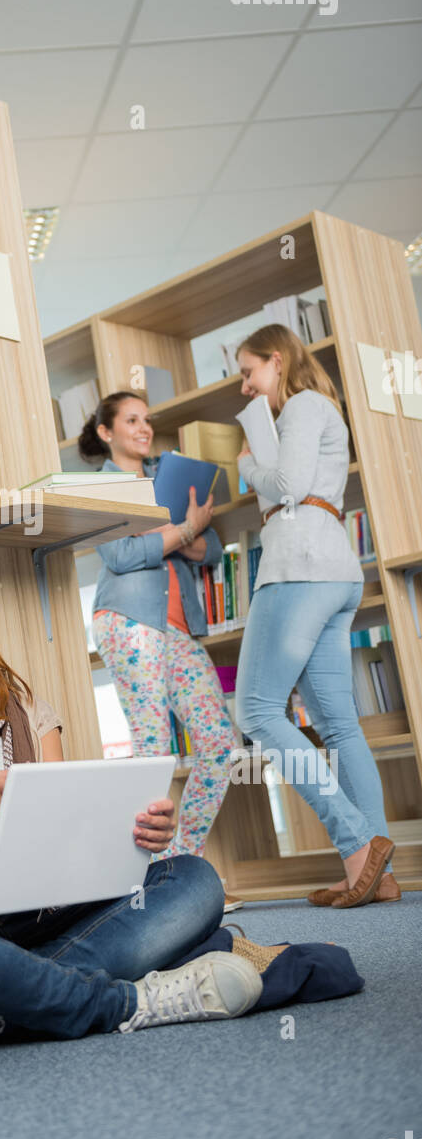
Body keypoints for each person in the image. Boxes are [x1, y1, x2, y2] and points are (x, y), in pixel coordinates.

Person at [0, 539, 287, 1069]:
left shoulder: (28, 707)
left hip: (45, 916)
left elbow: (66, 840)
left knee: (195, 881)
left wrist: (140, 834)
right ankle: (122, 1002)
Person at [233, 324, 399, 909]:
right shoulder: (314, 411)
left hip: (299, 568)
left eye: (249, 371)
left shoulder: (303, 404)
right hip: (333, 572)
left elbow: (287, 486)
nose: (245, 385)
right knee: (339, 726)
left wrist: (247, 465)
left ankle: (357, 845)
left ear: (277, 360)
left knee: (255, 710)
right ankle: (376, 874)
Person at [78, 391, 242, 911]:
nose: (144, 428)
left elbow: (210, 548)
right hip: (127, 620)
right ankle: (152, 881)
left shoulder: (167, 480)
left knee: (220, 743)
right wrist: (184, 530)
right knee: (153, 750)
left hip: (178, 629)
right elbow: (120, 555)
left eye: (147, 419)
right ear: (106, 431)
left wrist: (184, 532)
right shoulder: (101, 486)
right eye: (131, 420)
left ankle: (180, 871)